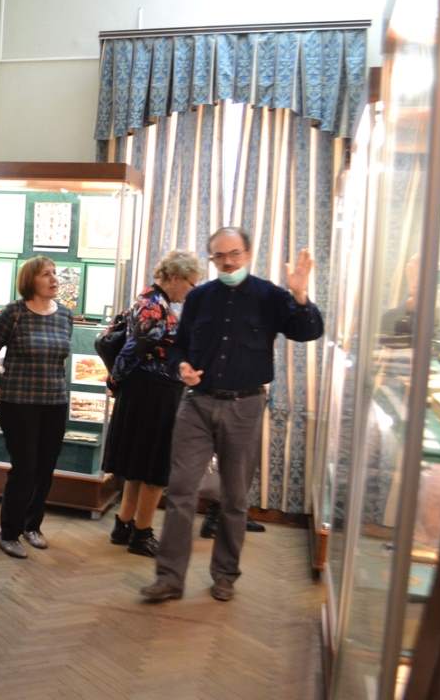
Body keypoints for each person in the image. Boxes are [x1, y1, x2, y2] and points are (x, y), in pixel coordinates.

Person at [141, 227, 323, 603]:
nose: (227, 262)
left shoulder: (270, 295)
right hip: (197, 404)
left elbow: (308, 331)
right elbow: (178, 348)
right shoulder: (199, 297)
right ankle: (169, 578)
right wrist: (182, 367)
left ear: (248, 253)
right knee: (181, 490)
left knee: (235, 497)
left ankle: (225, 575)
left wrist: (300, 294)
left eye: (234, 253)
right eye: (220, 256)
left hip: (245, 406)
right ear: (211, 258)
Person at [104, 250, 202, 557]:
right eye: (190, 283)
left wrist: (118, 381)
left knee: (138, 465)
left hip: (147, 391)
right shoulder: (154, 305)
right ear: (174, 277)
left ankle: (124, 525)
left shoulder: (151, 301)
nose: (191, 290)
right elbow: (133, 349)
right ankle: (142, 534)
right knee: (154, 467)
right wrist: (114, 380)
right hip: (153, 394)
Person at [0, 256, 73, 559]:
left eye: (55, 273)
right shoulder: (15, 312)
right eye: (46, 274)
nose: (54, 279)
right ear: (30, 280)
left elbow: (60, 358)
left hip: (55, 402)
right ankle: (9, 533)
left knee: (46, 468)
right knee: (25, 468)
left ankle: (33, 526)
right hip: (19, 403)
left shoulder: (65, 315)